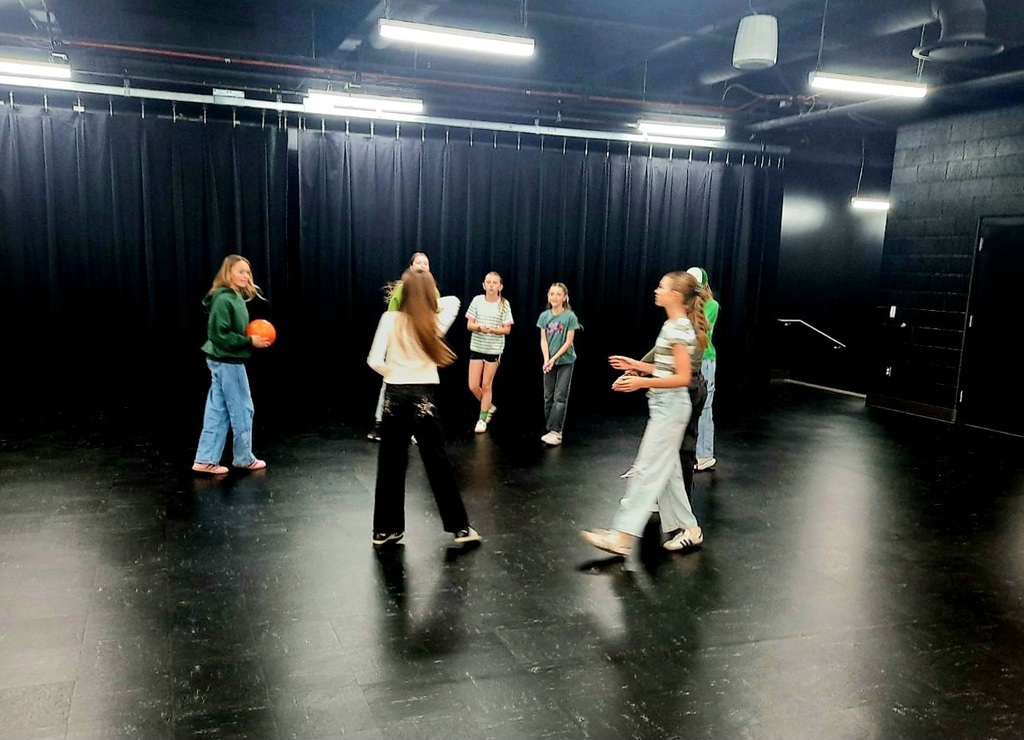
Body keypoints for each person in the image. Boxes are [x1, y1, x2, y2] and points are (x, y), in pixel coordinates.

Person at [581, 271, 705, 556]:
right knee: (669, 475)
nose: (656, 290)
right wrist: (637, 364)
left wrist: (640, 381)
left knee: (646, 470)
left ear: (675, 295)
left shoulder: (678, 328)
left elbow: (684, 377)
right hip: (666, 405)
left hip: (671, 408)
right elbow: (669, 369)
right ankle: (691, 529)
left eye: (662, 286)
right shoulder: (674, 325)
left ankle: (622, 536)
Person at [367, 269, 480, 547]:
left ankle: (384, 530)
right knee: (437, 463)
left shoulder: (389, 319)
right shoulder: (433, 321)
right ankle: (460, 529)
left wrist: (393, 372)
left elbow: (373, 360)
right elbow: (453, 302)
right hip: (422, 399)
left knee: (390, 463)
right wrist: (426, 295)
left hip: (394, 396)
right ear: (429, 295)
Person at [192, 255, 272, 475]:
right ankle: (244, 458)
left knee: (218, 410)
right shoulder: (224, 299)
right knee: (243, 409)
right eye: (240, 271)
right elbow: (218, 335)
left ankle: (205, 459)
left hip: (224, 360)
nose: (245, 276)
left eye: (248, 272)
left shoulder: (233, 297)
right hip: (227, 361)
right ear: (228, 273)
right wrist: (249, 341)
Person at [368, 252, 436, 442]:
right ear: (411, 267)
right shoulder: (402, 289)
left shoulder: (433, 291)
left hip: (420, 345)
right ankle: (379, 424)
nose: (422, 265)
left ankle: (414, 428)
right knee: (390, 386)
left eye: (426, 263)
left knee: (418, 392)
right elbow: (391, 316)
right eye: (418, 262)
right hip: (400, 342)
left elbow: (440, 312)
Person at [466, 271, 513, 434]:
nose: (491, 285)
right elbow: (469, 325)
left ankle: (482, 418)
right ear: (484, 285)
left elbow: (507, 329)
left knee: (486, 384)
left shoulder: (504, 304)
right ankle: (488, 406)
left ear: (500, 286)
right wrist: (479, 327)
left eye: (495, 282)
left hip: (493, 349)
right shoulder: (477, 301)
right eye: (489, 282)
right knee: (473, 385)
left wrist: (494, 330)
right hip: (477, 347)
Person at [537, 282, 580, 446]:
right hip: (549, 362)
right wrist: (547, 359)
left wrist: (554, 358)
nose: (554, 297)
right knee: (548, 396)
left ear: (564, 297)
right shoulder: (544, 316)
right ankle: (551, 428)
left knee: (560, 396)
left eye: (558, 294)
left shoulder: (569, 317)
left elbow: (569, 342)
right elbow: (543, 339)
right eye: (551, 294)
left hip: (565, 362)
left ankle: (557, 431)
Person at [689, 267, 720, 471]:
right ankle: (692, 452)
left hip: (705, 358)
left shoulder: (711, 305)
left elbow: (698, 329)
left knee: (705, 406)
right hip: (690, 359)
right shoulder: (688, 304)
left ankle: (705, 454)